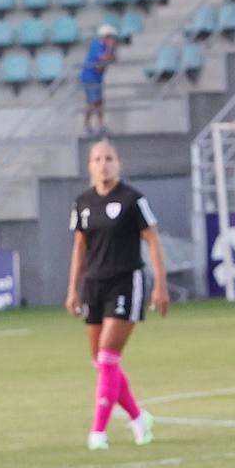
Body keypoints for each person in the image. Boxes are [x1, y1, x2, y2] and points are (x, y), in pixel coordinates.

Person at [66, 139, 170, 450]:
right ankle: (139, 418)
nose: (103, 164)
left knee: (108, 358)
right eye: (97, 159)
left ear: (118, 164)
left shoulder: (132, 199)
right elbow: (79, 246)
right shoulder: (82, 203)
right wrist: (73, 288)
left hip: (125, 282)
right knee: (101, 362)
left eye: (109, 158)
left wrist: (160, 284)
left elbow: (152, 240)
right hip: (93, 285)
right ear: (90, 166)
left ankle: (98, 432)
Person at [80, 23, 117, 134]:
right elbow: (103, 57)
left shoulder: (105, 47)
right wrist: (110, 48)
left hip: (98, 77)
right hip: (90, 77)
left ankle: (100, 126)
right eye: (109, 37)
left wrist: (110, 50)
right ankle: (87, 126)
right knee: (92, 102)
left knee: (99, 102)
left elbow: (112, 59)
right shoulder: (97, 44)